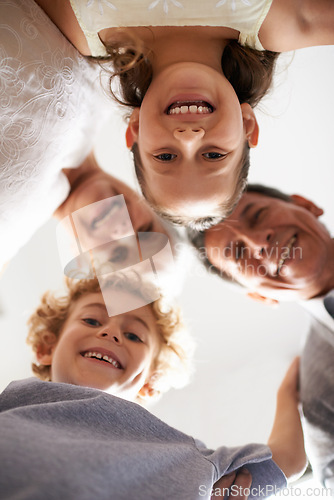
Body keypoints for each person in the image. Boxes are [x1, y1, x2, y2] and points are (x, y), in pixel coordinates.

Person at [0, 273, 306, 499]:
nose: (111, 333)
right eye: (92, 321)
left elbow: (288, 461)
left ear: (149, 382)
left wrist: (288, 393)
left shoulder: (186, 455)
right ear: (46, 347)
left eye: (134, 335)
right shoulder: (13, 404)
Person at [35, 0, 334, 229]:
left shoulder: (76, 26)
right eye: (214, 155)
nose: (189, 137)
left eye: (165, 157)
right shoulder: (290, 20)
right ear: (247, 125)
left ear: (135, 128)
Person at [190, 184, 334, 491]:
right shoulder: (321, 396)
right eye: (239, 254)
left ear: (305, 203)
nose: (258, 242)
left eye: (257, 215)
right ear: (259, 297)